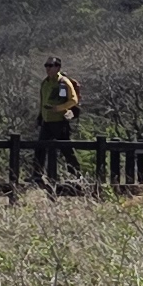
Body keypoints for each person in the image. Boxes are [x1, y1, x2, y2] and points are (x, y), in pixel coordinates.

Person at [37, 56, 81, 188]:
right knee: (40, 148)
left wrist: (59, 108)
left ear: (58, 67)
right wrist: (40, 116)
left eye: (50, 66)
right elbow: (42, 101)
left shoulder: (63, 82)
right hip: (47, 121)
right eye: (46, 66)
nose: (48, 68)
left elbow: (73, 100)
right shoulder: (45, 83)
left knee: (66, 149)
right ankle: (37, 175)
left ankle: (76, 175)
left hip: (59, 121)